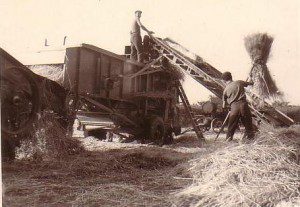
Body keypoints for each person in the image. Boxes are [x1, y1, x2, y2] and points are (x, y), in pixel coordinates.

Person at [222, 71, 255, 141]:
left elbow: (224, 105)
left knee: (231, 126)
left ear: (224, 80)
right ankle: (251, 139)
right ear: (231, 77)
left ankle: (228, 140)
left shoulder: (225, 90)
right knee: (248, 124)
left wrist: (228, 106)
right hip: (243, 105)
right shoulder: (239, 82)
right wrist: (251, 78)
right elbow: (250, 83)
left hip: (234, 108)